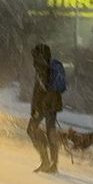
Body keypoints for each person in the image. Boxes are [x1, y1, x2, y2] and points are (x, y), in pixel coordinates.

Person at [27, 43, 63, 173]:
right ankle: (53, 164)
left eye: (34, 55)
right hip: (53, 104)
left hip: (43, 106)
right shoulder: (51, 65)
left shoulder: (41, 67)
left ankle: (45, 160)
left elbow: (41, 90)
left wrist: (36, 107)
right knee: (51, 132)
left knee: (31, 130)